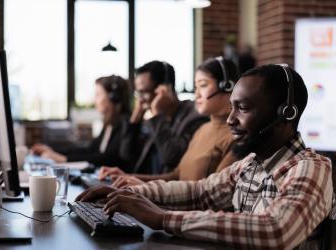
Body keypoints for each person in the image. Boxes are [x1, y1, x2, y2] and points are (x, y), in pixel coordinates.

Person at [76, 64, 333, 249]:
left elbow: (275, 231)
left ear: (286, 114)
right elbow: (200, 192)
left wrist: (163, 218)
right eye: (232, 108)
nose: (231, 120)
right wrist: (132, 196)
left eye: (243, 108)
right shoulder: (250, 163)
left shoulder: (311, 168)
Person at [99, 57, 240, 188]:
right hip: (165, 201)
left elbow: (208, 192)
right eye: (196, 87)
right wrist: (128, 178)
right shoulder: (203, 129)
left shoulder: (200, 121)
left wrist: (145, 188)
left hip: (181, 208)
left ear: (227, 86)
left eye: (202, 85)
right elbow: (176, 175)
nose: (196, 95)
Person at [118, 61, 208, 175]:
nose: (141, 100)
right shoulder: (151, 120)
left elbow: (171, 158)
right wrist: (135, 120)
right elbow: (126, 155)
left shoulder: (195, 115)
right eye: (139, 93)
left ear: (165, 88)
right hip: (142, 184)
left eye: (145, 92)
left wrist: (157, 115)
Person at [31, 75, 133, 171]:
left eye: (98, 95)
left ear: (113, 97)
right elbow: (90, 149)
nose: (95, 100)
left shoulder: (125, 124)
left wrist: (64, 159)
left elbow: (109, 159)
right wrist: (53, 151)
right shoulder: (109, 123)